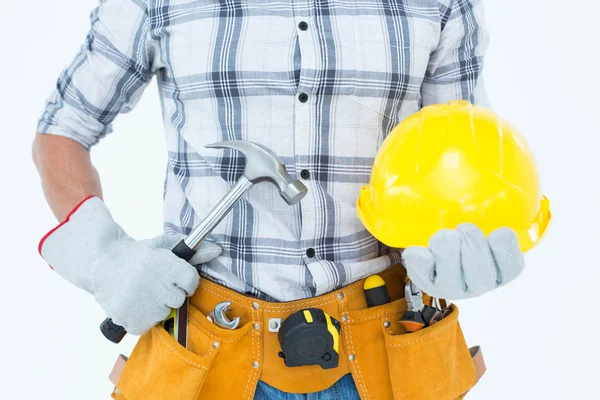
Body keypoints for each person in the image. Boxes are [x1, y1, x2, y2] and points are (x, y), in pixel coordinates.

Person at [33, 0, 524, 398]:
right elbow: (62, 133)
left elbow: (462, 151)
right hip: (209, 351)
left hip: (390, 344)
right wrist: (106, 258)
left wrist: (463, 249)